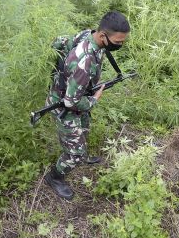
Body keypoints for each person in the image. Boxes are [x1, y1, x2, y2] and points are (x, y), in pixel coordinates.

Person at [43, 11, 130, 200]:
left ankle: (81, 156)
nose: (120, 45)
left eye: (123, 41)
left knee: (84, 128)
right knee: (74, 152)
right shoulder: (84, 61)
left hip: (77, 92)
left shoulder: (88, 35)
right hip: (64, 107)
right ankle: (55, 177)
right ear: (102, 35)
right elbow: (71, 102)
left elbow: (61, 41)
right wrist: (94, 99)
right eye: (117, 42)